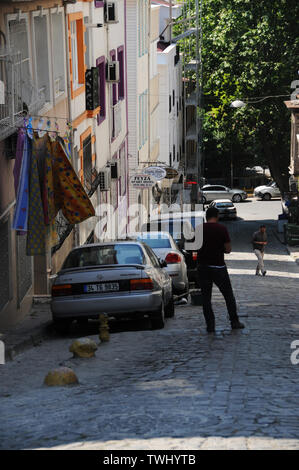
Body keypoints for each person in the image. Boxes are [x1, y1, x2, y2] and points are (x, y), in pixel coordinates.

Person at [197, 207, 245, 333]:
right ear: (217, 216)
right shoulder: (222, 229)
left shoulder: (199, 229)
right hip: (218, 267)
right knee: (228, 296)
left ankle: (210, 326)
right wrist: (220, 249)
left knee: (206, 298)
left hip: (203, 268)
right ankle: (234, 322)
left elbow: (193, 248)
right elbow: (228, 249)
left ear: (206, 217)